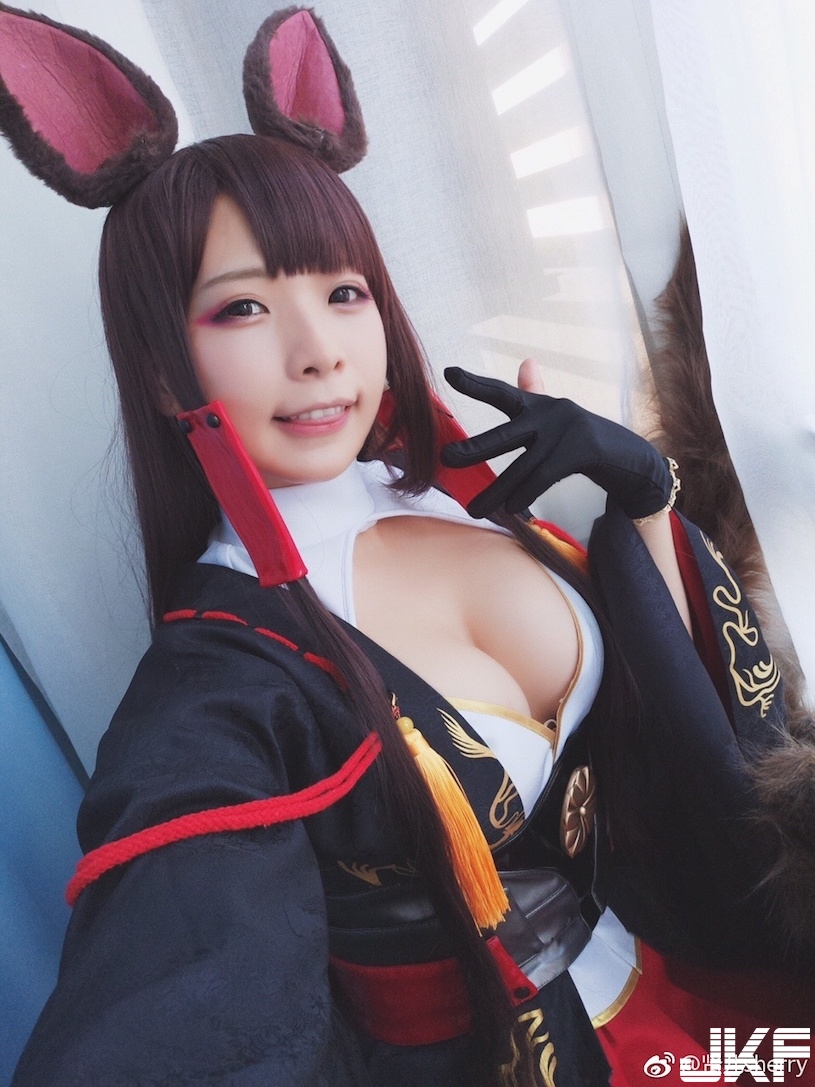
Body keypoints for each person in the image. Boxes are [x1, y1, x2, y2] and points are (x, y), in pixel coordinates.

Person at [3, 6, 812, 1086]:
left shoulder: (461, 497)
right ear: (159, 370)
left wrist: (644, 500)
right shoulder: (223, 685)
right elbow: (178, 997)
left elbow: (698, 739)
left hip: (693, 1006)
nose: (318, 351)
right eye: (242, 310)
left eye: (343, 292)